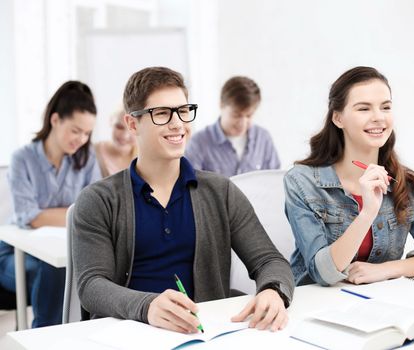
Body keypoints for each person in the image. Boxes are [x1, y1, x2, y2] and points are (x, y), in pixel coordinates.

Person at [72, 67, 294, 334]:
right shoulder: (98, 200)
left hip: (205, 332)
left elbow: (270, 261)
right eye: (162, 113)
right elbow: (92, 286)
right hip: (129, 332)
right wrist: (147, 306)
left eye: (183, 111)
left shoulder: (221, 191)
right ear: (133, 124)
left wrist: (273, 291)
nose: (178, 124)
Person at [284, 66, 414, 287]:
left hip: (376, 305)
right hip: (313, 303)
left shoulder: (404, 182)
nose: (378, 117)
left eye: (385, 107)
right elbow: (322, 273)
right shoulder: (301, 182)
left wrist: (385, 270)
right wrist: (367, 213)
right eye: (363, 109)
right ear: (338, 118)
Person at [0, 81, 101, 327]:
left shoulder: (86, 159)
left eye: (87, 133)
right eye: (75, 130)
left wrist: (52, 214)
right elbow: (30, 216)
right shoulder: (22, 158)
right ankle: (43, 336)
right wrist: (75, 213)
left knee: (75, 270)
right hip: (15, 254)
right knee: (53, 271)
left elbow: (96, 210)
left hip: (63, 251)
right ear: (55, 120)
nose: (81, 139)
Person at [185, 76, 280, 176]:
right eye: (236, 115)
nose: (242, 124)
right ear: (221, 105)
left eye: (249, 116)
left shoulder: (263, 138)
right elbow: (191, 186)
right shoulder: (198, 143)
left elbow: (273, 181)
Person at [95, 106, 137, 177]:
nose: (125, 136)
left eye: (132, 130)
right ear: (111, 121)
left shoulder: (144, 160)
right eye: (119, 127)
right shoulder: (92, 152)